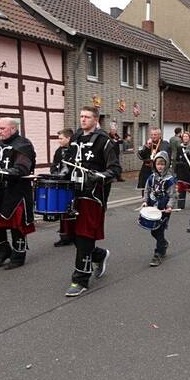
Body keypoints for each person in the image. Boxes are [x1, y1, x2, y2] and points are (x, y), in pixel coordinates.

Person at [63, 106, 122, 296]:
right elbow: (68, 163)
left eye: (87, 117)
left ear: (96, 120)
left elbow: (115, 169)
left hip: (93, 196)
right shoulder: (76, 138)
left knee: (85, 236)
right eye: (81, 116)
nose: (83, 120)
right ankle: (99, 254)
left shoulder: (105, 141)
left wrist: (99, 176)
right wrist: (61, 173)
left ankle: (80, 279)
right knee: (72, 235)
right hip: (73, 193)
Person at [0, 118, 36, 270]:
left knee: (16, 225)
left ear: (13, 128)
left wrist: (6, 173)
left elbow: (22, 168)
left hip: (16, 192)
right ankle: (2, 252)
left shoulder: (23, 145)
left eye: (2, 129)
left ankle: (18, 257)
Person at [141, 151, 175, 266]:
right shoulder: (151, 177)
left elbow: (172, 195)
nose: (160, 166)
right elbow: (147, 190)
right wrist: (145, 201)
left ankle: (158, 253)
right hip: (152, 207)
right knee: (153, 231)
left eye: (162, 164)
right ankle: (164, 243)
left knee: (159, 231)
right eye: (158, 164)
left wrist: (170, 206)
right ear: (155, 164)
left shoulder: (170, 180)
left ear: (166, 164)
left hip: (164, 209)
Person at [51, 128, 75, 247]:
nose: (59, 141)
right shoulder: (58, 151)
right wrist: (55, 173)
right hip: (61, 183)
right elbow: (54, 165)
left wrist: (67, 174)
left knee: (70, 210)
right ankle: (64, 235)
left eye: (61, 138)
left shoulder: (74, 150)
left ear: (68, 138)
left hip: (71, 184)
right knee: (62, 210)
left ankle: (72, 235)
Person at [174, 131, 190, 209]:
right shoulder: (179, 147)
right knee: (181, 190)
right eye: (184, 136)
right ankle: (181, 206)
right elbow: (177, 159)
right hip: (182, 172)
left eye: (187, 136)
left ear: (189, 138)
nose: (185, 138)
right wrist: (176, 171)